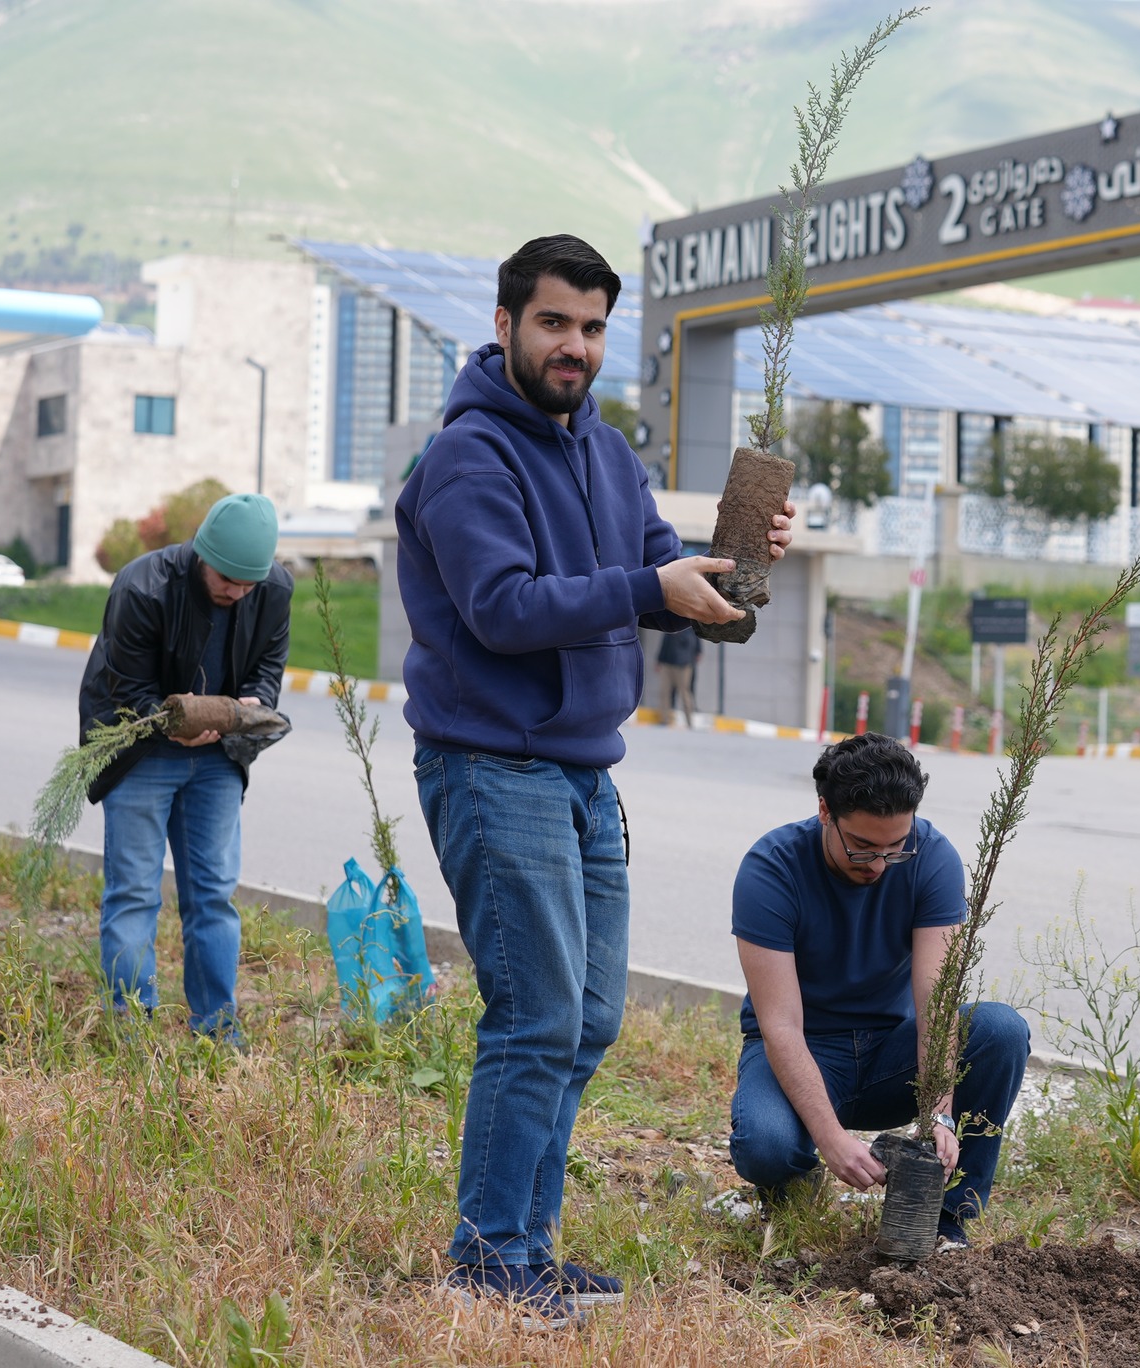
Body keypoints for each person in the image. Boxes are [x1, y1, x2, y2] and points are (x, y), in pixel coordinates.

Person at [396, 234, 792, 1325]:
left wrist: (734, 569)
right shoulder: (467, 457)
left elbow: (663, 585)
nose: (574, 346)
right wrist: (646, 584)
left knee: (588, 1020)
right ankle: (486, 1261)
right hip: (492, 765)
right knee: (534, 1016)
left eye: (591, 327)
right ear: (506, 325)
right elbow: (503, 608)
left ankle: (524, 1245)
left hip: (580, 772)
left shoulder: (607, 454)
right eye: (553, 322)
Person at [728, 734, 1028, 1249]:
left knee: (1000, 1029)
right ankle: (795, 1183)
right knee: (766, 1146)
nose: (879, 864)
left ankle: (947, 1215)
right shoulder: (771, 868)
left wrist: (939, 1109)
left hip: (893, 1051)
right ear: (825, 811)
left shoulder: (932, 857)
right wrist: (831, 1139)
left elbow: (935, 1001)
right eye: (862, 848)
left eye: (896, 847)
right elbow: (779, 1025)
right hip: (804, 1048)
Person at [78, 493, 291, 1038]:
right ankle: (131, 1031)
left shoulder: (273, 591)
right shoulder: (142, 587)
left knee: (213, 896)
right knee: (133, 893)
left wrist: (248, 706)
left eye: (249, 583)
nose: (237, 592)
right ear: (202, 552)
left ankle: (217, 1030)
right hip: (143, 753)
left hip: (218, 757)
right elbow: (126, 690)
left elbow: (268, 665)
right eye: (226, 579)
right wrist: (177, 724)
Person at [655, 625, 700, 726]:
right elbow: (664, 643)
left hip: (683, 665)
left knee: (684, 693)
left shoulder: (690, 628)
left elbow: (694, 645)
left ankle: (689, 721)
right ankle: (664, 719)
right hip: (667, 663)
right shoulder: (670, 624)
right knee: (664, 691)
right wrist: (659, 660)